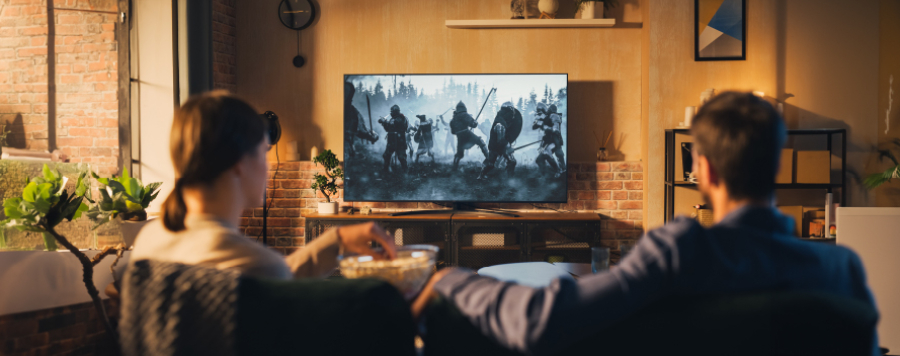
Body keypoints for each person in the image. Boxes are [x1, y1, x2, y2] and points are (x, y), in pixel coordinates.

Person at [413, 92, 878, 355]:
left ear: (704, 171)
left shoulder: (681, 252)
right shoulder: (843, 270)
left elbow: (540, 322)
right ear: (778, 164)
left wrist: (451, 277)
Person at [131, 91, 396, 280]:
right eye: (264, 152)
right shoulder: (255, 267)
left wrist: (336, 240)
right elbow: (270, 274)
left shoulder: (149, 241)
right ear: (238, 163)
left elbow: (277, 273)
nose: (268, 165)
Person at [477, 101, 522, 180]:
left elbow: (504, 138)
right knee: (511, 161)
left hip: (493, 147)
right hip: (498, 147)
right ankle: (510, 180)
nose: (512, 115)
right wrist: (508, 146)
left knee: (491, 164)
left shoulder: (501, 120)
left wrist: (508, 143)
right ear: (509, 110)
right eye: (512, 111)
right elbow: (501, 141)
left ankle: (481, 175)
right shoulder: (500, 123)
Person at [449, 101, 489, 171]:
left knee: (460, 154)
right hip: (466, 133)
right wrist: (475, 123)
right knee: (480, 141)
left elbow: (453, 132)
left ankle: (454, 167)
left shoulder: (453, 119)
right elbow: (473, 125)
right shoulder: (464, 114)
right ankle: (489, 160)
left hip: (459, 136)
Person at [343, 82, 378, 158]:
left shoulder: (353, 113)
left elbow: (361, 131)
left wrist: (372, 136)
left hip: (346, 149)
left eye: (345, 92)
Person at [379, 104, 409, 174]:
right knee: (386, 155)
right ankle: (386, 170)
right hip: (391, 141)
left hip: (400, 141)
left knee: (401, 157)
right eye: (391, 111)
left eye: (392, 111)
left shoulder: (402, 118)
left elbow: (398, 124)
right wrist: (384, 124)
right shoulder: (392, 119)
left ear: (396, 111)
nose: (391, 113)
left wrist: (385, 121)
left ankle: (406, 172)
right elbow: (388, 129)